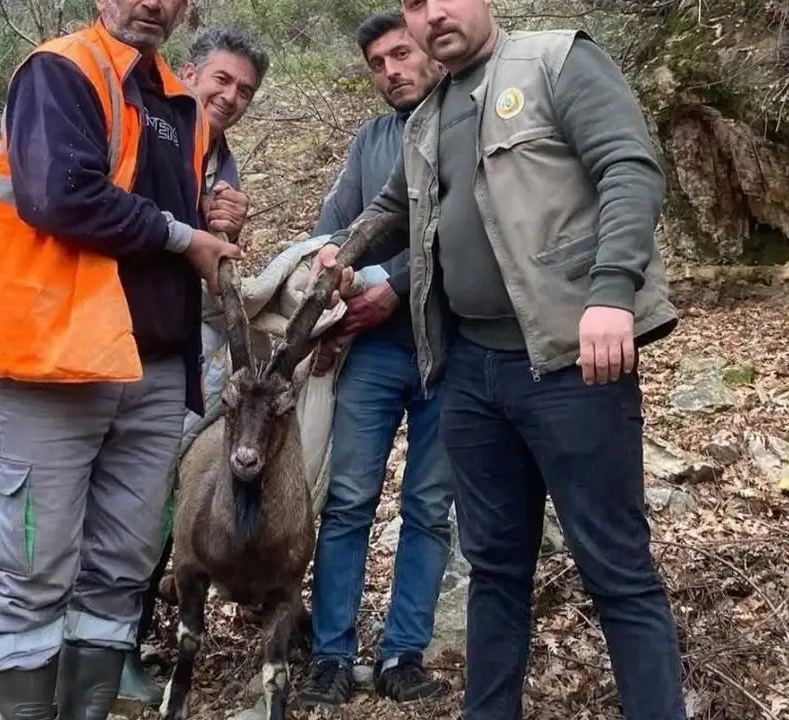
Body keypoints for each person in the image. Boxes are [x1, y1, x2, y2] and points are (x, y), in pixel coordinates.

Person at [309, 0, 687, 717]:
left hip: (575, 364)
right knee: (494, 572)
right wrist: (343, 249)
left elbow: (630, 168)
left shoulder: (555, 62)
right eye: (415, 6)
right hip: (472, 373)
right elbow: (391, 208)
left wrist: (611, 293)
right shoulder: (427, 117)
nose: (433, 15)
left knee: (618, 572)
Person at [0, 0, 245, 716]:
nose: (151, 2)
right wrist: (186, 237)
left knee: (117, 575)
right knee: (33, 573)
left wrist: (215, 221)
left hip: (153, 372)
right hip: (58, 366)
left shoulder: (180, 104)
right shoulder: (60, 70)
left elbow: (185, 219)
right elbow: (60, 194)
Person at [296, 10, 451, 709]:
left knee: (427, 508)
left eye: (401, 54)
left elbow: (472, 236)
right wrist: (332, 272)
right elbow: (339, 226)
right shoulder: (372, 140)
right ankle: (330, 654)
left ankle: (402, 654)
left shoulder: (467, 121)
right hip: (374, 354)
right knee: (349, 501)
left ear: (430, 51)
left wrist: (396, 283)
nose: (392, 71)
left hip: (452, 352)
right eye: (378, 64)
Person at [119, 25, 268, 706]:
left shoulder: (222, 157)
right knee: (118, 494)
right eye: (221, 81)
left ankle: (125, 635)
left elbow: (212, 261)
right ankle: (92, 643)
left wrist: (229, 232)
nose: (231, 96)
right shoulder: (150, 128)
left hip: (180, 341)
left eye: (244, 89)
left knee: (160, 489)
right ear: (189, 72)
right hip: (117, 330)